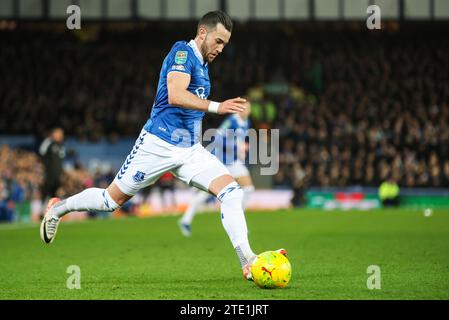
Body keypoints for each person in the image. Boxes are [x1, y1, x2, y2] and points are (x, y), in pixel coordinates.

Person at [40, 11, 285, 280]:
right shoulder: (182, 52)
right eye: (218, 41)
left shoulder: (203, 65)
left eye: (225, 44)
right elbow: (176, 95)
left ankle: (248, 260)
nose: (221, 48)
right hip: (157, 145)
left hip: (190, 149)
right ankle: (58, 209)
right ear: (202, 32)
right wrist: (218, 106)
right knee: (110, 201)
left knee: (232, 192)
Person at [178, 101, 255, 236]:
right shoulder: (232, 121)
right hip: (221, 161)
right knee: (204, 193)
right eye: (243, 108)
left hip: (234, 162)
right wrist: (237, 147)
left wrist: (241, 149)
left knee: (248, 189)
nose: (246, 110)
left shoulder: (246, 122)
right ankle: (185, 220)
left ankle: (238, 223)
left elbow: (239, 140)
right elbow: (217, 138)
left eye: (248, 108)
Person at [38, 127, 65, 206]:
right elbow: (41, 154)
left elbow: (61, 160)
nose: (60, 136)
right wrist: (42, 171)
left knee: (55, 193)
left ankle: (53, 212)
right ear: (53, 134)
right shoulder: (48, 142)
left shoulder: (61, 145)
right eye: (58, 133)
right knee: (46, 191)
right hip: (48, 173)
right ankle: (41, 210)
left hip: (57, 175)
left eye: (61, 134)